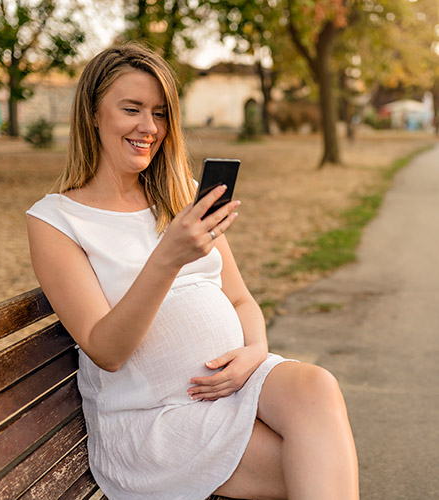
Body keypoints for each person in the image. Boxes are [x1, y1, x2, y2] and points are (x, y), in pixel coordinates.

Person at [26, 43, 359, 500]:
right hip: (155, 420)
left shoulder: (180, 196)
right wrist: (169, 256)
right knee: (316, 466)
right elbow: (107, 350)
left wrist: (254, 352)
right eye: (132, 109)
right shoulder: (56, 221)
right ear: (92, 114)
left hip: (235, 386)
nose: (149, 127)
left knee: (316, 387)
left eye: (160, 113)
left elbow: (241, 299)